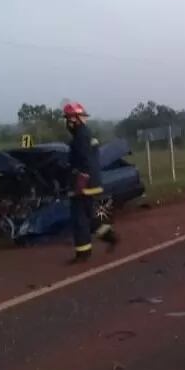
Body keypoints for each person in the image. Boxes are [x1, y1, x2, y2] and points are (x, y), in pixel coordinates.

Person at [64, 102, 118, 264]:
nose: (68, 122)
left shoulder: (80, 136)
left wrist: (80, 181)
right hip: (92, 184)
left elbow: (84, 161)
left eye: (69, 118)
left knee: (79, 219)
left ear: (77, 119)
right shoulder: (86, 134)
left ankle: (83, 253)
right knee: (90, 218)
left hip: (84, 185)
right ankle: (109, 236)